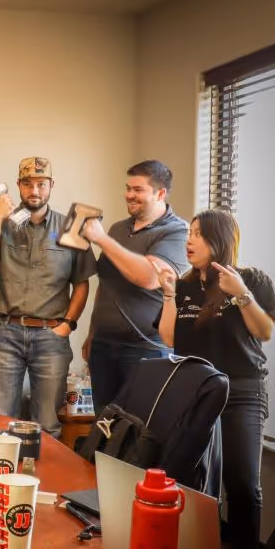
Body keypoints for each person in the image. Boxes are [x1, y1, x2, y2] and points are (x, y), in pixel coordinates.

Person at [155, 209, 275, 549]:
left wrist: (241, 294)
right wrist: (168, 295)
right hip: (196, 390)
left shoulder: (250, 279)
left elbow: (265, 332)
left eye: (199, 234)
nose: (189, 241)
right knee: (191, 476)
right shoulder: (184, 285)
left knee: (242, 481)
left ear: (219, 240)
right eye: (190, 233)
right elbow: (169, 339)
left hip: (242, 391)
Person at [0, 157, 96, 436]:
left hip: (50, 337)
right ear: (18, 185)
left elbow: (81, 284)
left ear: (52, 185)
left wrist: (68, 324)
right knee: (1, 422)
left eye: (41, 184)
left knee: (48, 425)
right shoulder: (0, 223)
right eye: (28, 184)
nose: (34, 191)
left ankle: (43, 468)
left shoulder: (71, 227)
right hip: (5, 335)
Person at [81, 160, 189, 413]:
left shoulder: (177, 231)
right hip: (104, 345)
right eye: (128, 188)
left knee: (139, 425)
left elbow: (150, 277)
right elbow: (105, 284)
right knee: (105, 424)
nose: (129, 195)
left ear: (160, 193)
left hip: (146, 349)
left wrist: (101, 239)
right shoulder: (119, 229)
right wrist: (92, 333)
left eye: (138, 189)